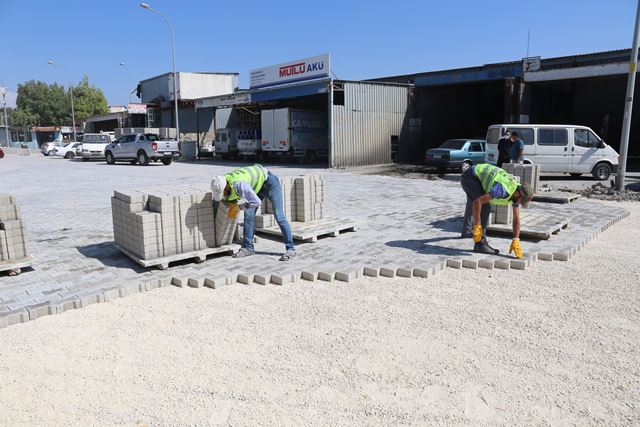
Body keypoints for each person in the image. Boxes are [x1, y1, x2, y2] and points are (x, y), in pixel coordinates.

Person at [211, 164, 296, 261]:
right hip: (257, 187)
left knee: (279, 216)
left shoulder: (240, 185)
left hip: (270, 183)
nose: (223, 195)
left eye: (223, 193)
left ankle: (291, 249)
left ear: (226, 187)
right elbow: (230, 197)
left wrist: (240, 207)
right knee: (248, 215)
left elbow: (256, 202)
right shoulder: (224, 180)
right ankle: (248, 248)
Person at [460, 163, 534, 258]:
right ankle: (480, 244)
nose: (520, 203)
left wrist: (516, 239)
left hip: (475, 175)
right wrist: (477, 225)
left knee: (476, 200)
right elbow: (477, 202)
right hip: (470, 177)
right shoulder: (502, 190)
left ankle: (466, 232)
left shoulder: (517, 192)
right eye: (521, 201)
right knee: (484, 206)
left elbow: (516, 219)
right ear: (517, 194)